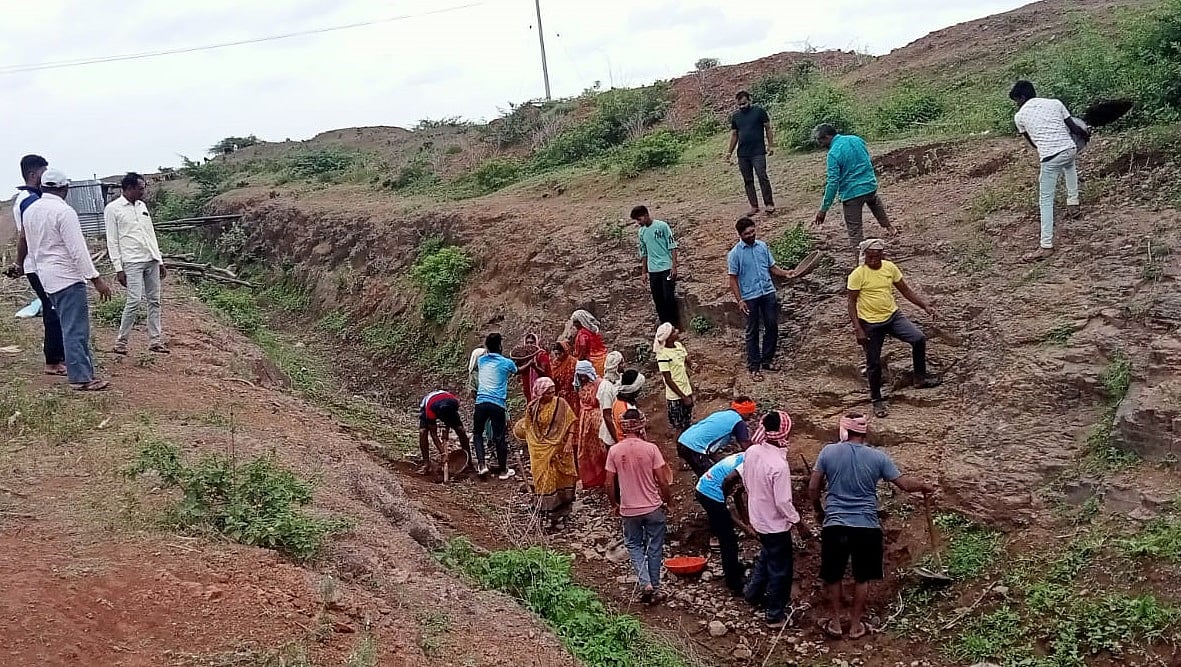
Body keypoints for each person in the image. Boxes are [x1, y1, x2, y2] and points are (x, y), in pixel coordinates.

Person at [809, 414, 936, 640]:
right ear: (864, 433)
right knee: (862, 578)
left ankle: (837, 623)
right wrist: (924, 486)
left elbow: (813, 487)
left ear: (844, 431)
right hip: (867, 526)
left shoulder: (828, 452)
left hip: (836, 524)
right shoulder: (878, 457)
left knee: (834, 575)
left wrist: (819, 510)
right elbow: (905, 484)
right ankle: (857, 625)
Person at [17, 169, 113, 391]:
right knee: (75, 329)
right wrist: (96, 280)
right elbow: (78, 250)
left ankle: (82, 371)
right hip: (67, 278)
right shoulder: (64, 212)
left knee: (66, 325)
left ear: (42, 187)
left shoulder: (31, 210)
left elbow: (28, 242)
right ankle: (81, 377)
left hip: (46, 277)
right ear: (65, 189)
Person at [847, 239, 941, 418]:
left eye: (877, 256)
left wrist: (925, 306)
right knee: (873, 363)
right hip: (870, 323)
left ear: (882, 255)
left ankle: (919, 378)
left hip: (892, 316)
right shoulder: (858, 274)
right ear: (864, 256)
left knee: (918, 338)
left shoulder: (889, 268)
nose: (873, 260)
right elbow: (851, 303)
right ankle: (876, 400)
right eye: (870, 256)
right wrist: (858, 328)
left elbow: (905, 290)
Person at [740, 408, 809, 628]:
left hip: (757, 517)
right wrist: (799, 523)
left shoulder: (752, 452)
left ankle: (752, 593)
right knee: (781, 569)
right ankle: (775, 615)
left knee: (767, 555)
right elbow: (782, 503)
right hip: (774, 524)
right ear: (784, 433)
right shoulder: (779, 466)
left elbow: (746, 482)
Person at [1010, 80, 1090, 261]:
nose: (1017, 104)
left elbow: (1032, 143)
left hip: (1049, 157)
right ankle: (1073, 203)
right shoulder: (1055, 103)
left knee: (1045, 200)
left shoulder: (1020, 117)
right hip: (1069, 149)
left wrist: (1046, 146)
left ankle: (1046, 246)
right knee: (1069, 163)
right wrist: (1087, 134)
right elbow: (1074, 128)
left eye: (1017, 100)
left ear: (1022, 97)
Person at [726, 217, 807, 381]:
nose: (751, 235)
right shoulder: (735, 254)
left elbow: (772, 267)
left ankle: (767, 360)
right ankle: (754, 366)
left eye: (752, 231)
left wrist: (786, 273)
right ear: (740, 235)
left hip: (767, 292)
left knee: (772, 326)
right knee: (752, 331)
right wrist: (739, 300)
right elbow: (733, 279)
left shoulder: (762, 246)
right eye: (747, 233)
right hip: (750, 297)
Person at [605, 408, 672, 604]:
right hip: (652, 507)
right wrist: (668, 502)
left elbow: (609, 482)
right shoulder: (651, 449)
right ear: (641, 425)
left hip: (629, 509)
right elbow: (662, 481)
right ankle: (655, 587)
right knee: (654, 547)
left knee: (633, 544)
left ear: (623, 428)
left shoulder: (615, 450)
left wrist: (614, 504)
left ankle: (645, 583)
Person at [8, 154, 65, 376]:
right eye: (43, 172)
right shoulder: (29, 200)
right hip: (38, 264)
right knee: (52, 310)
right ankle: (53, 361)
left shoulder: (32, 197)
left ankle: (59, 356)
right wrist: (19, 263)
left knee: (55, 309)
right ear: (33, 175)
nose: (47, 177)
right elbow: (26, 236)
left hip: (41, 263)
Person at [105, 172, 168, 355]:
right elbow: (112, 240)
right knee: (133, 301)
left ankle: (155, 341)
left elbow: (150, 234)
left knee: (154, 301)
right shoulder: (113, 209)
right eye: (140, 189)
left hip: (151, 260)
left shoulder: (142, 206)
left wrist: (159, 260)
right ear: (130, 188)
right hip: (132, 262)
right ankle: (121, 342)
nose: (143, 192)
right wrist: (118, 268)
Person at [811, 124, 899, 250]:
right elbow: (866, 160)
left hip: (852, 194)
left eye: (820, 141)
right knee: (875, 203)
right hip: (869, 186)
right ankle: (890, 228)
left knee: (855, 230)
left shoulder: (833, 153)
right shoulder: (856, 139)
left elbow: (833, 183)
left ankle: (860, 260)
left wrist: (823, 209)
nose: (820, 144)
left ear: (827, 137)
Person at [514, 377, 579, 529]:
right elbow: (529, 429)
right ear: (540, 393)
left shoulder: (560, 404)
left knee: (563, 478)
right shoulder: (532, 408)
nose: (552, 395)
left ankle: (563, 512)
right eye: (548, 393)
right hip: (540, 450)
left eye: (553, 392)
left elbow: (571, 423)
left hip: (561, 449)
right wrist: (535, 444)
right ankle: (548, 513)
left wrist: (569, 441)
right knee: (544, 478)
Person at [696, 451, 747, 595]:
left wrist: (747, 524)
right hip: (710, 492)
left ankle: (734, 568)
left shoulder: (745, 455)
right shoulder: (750, 461)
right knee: (728, 540)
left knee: (727, 536)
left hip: (704, 487)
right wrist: (722, 502)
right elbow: (729, 480)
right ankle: (733, 582)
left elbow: (737, 495)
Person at [472, 333, 518, 479]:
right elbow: (516, 370)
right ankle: (503, 471)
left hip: (481, 402)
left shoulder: (481, 361)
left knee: (478, 433)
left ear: (486, 347)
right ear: (500, 346)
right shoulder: (507, 363)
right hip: (497, 403)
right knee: (499, 437)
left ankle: (482, 465)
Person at [725, 90, 776, 216]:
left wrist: (771, 145)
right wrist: (728, 153)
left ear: (749, 100)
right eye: (739, 105)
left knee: (762, 176)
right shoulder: (736, 116)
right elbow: (734, 135)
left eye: (744, 103)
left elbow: (768, 128)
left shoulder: (759, 111)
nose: (742, 107)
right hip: (743, 153)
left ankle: (769, 204)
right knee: (748, 180)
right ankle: (754, 206)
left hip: (758, 151)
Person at [677, 398, 757, 476]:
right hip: (695, 448)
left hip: (683, 440)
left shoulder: (721, 414)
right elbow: (747, 448)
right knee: (710, 478)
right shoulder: (739, 422)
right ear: (744, 412)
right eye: (750, 413)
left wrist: (720, 463)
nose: (751, 416)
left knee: (709, 472)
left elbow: (711, 446)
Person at [632, 205, 680, 327]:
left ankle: (674, 324)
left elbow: (672, 246)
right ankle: (664, 324)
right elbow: (644, 253)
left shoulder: (662, 226)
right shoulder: (641, 232)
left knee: (668, 296)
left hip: (666, 268)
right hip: (653, 271)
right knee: (657, 298)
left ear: (646, 215)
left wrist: (674, 266)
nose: (638, 222)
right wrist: (644, 272)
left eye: (639, 219)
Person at [418, 389, 471, 475]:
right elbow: (433, 435)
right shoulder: (430, 410)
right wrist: (443, 453)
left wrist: (446, 431)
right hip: (429, 403)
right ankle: (426, 464)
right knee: (423, 432)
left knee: (460, 430)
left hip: (447, 400)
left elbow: (449, 420)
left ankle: (469, 462)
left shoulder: (455, 403)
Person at [573, 360, 608, 490]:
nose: (582, 377)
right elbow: (579, 402)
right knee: (587, 449)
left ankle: (606, 476)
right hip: (585, 419)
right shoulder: (579, 385)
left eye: (584, 375)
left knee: (601, 447)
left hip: (598, 419)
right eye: (580, 375)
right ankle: (593, 478)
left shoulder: (598, 383)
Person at [654, 323, 694, 435]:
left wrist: (691, 363)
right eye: (673, 331)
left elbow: (685, 357)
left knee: (687, 423)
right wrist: (683, 397)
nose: (677, 330)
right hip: (676, 396)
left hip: (686, 390)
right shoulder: (662, 355)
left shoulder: (678, 345)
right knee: (680, 428)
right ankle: (681, 449)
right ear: (669, 337)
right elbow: (668, 379)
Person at [565, 309, 608, 376]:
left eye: (575, 322)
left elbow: (583, 350)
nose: (574, 324)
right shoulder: (590, 332)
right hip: (601, 359)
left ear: (581, 322)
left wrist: (578, 363)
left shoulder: (582, 334)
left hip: (591, 362)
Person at [512, 332, 551, 402]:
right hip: (528, 387)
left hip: (541, 388)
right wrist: (528, 364)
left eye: (531, 343)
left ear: (536, 343)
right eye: (527, 343)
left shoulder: (542, 355)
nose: (529, 345)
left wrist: (535, 366)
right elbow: (517, 371)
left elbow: (544, 373)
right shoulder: (523, 356)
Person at [549, 341, 579, 415]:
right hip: (559, 395)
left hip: (572, 395)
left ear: (565, 352)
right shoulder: (555, 363)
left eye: (559, 354)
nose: (558, 356)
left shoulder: (573, 362)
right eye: (556, 354)